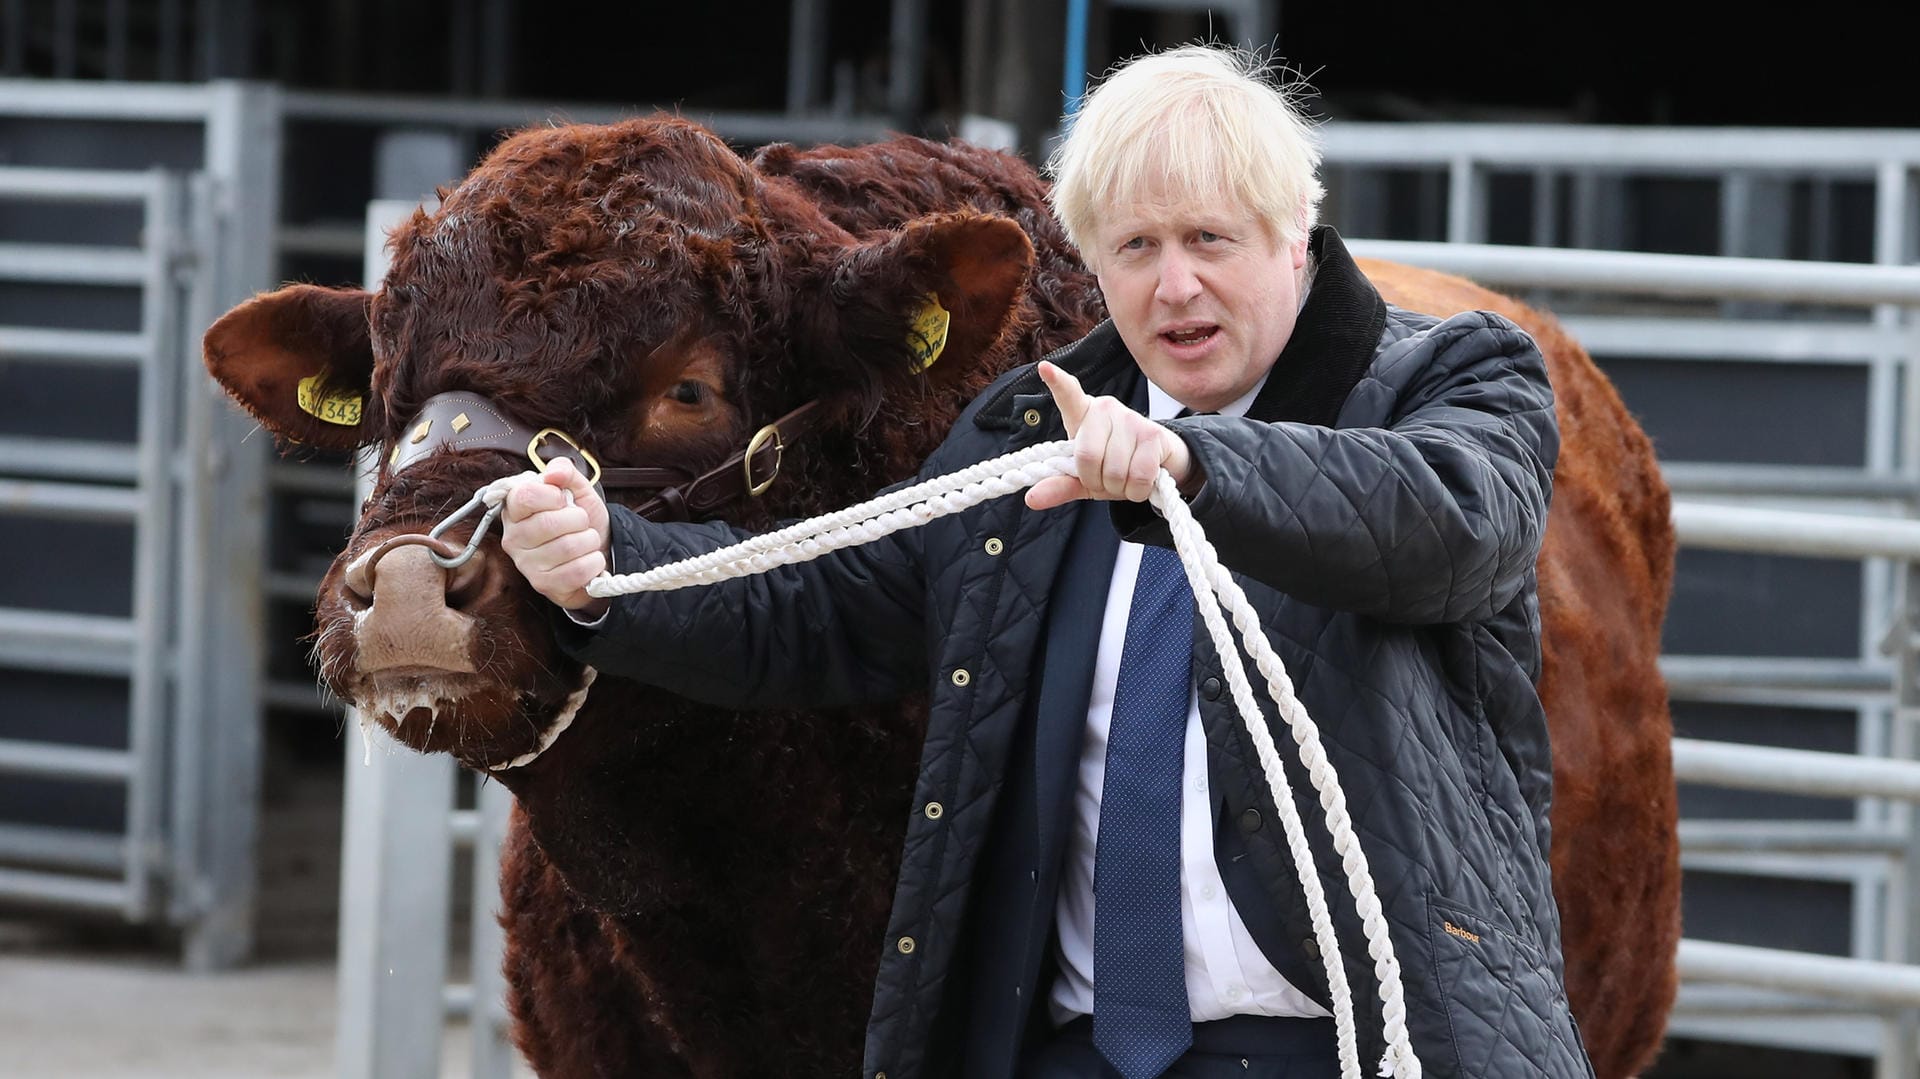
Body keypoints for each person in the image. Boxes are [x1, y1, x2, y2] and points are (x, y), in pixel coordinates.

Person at [501, 44, 1593, 1079]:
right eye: (1135, 247)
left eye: (1210, 240)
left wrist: (1196, 464)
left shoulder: (1456, 377)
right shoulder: (1030, 429)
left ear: (1295, 236)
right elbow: (825, 606)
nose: (1174, 288)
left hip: (1353, 1046)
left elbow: (1453, 524)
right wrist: (609, 565)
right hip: (1069, 1051)